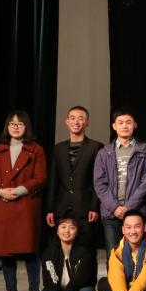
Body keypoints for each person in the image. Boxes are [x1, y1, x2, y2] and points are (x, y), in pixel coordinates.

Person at [0, 110, 47, 291]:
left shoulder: (36, 150)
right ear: (7, 127)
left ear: (26, 127)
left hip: (25, 205)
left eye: (20, 124)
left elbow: (40, 178)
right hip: (2, 205)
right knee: (6, 252)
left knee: (30, 250)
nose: (16, 127)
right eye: (12, 124)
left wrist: (18, 190)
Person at [93, 108, 146, 256]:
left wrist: (129, 207)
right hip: (111, 213)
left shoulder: (145, 150)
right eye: (120, 123)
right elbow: (100, 183)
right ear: (114, 126)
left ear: (135, 125)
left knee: (138, 256)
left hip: (136, 212)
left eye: (128, 122)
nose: (124, 126)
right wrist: (115, 207)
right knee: (114, 257)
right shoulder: (104, 152)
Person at [44, 106, 104, 247]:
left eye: (81, 118)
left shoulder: (96, 147)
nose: (76, 122)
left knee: (86, 249)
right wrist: (50, 208)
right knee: (59, 249)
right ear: (67, 121)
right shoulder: (58, 148)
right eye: (72, 118)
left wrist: (94, 207)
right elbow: (53, 181)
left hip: (85, 207)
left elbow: (98, 180)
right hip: (61, 207)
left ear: (87, 122)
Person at [27, 214, 97, 291]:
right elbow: (50, 280)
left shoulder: (85, 252)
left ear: (77, 232)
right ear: (57, 231)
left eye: (72, 228)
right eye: (63, 227)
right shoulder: (49, 252)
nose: (67, 231)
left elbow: (78, 280)